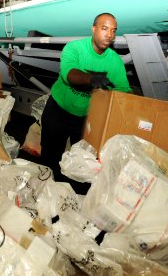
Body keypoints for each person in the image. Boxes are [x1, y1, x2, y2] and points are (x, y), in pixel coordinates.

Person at [40, 13, 132, 192]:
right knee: (50, 160)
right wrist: (91, 79)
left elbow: (124, 94)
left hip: (85, 119)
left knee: (83, 166)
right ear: (93, 29)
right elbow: (69, 74)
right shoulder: (74, 48)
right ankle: (46, 196)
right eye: (104, 29)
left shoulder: (115, 62)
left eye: (113, 31)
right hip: (58, 110)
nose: (109, 35)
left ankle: (76, 203)